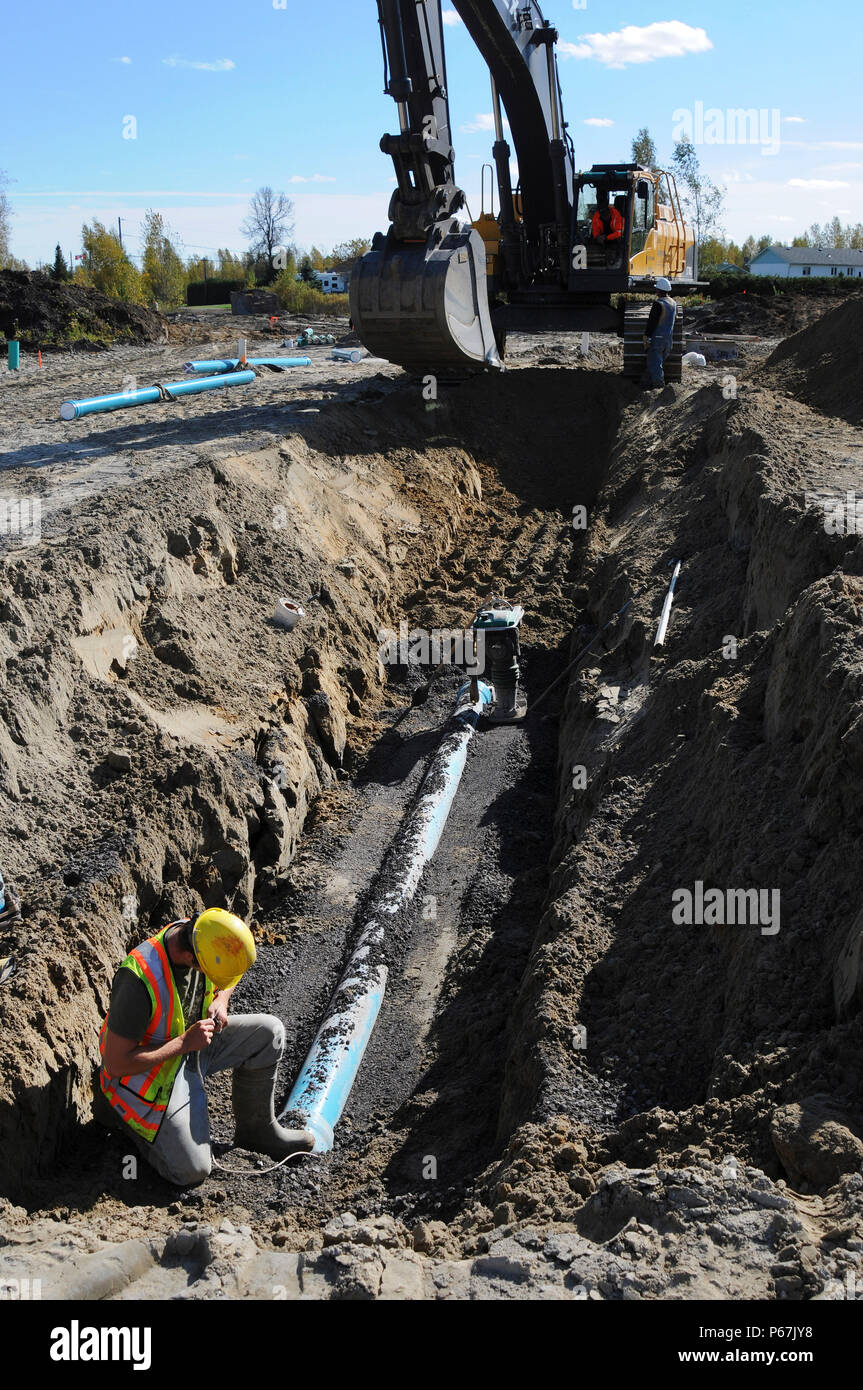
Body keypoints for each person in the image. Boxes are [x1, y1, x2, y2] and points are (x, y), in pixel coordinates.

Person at [97, 908, 313, 1185]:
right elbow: (116, 1064)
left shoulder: (203, 933)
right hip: (146, 1077)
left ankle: (257, 1132)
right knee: (193, 1170)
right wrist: (184, 1044)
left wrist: (221, 1000)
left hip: (193, 1045)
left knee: (269, 1033)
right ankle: (130, 1129)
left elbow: (231, 971)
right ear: (191, 959)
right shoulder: (138, 981)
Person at [640, 277, 677, 390]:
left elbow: (652, 322)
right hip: (668, 340)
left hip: (657, 340)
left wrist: (647, 337)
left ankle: (659, 389)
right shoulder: (673, 303)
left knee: (655, 365)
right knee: (653, 364)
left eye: (657, 289)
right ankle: (644, 385)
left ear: (659, 290)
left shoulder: (658, 304)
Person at [591, 190, 624, 266]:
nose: (604, 217)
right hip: (603, 239)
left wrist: (606, 238)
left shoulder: (617, 215)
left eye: (606, 214)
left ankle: (616, 260)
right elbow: (595, 231)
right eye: (602, 215)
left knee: (619, 242)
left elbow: (619, 232)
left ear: (609, 212)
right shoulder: (596, 216)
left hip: (615, 239)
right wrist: (597, 238)